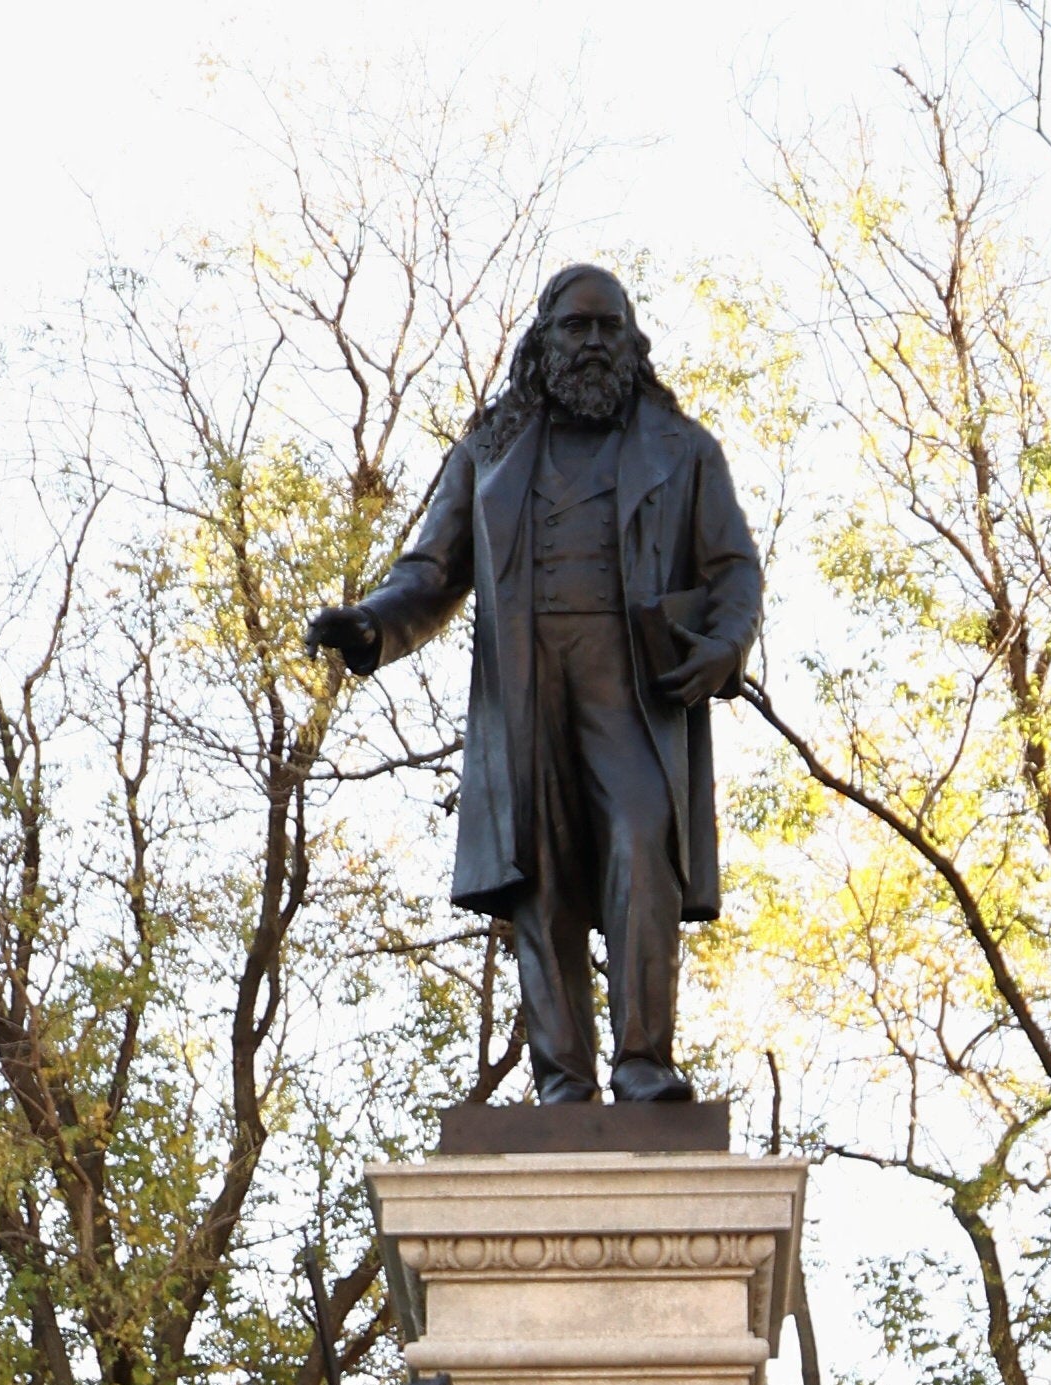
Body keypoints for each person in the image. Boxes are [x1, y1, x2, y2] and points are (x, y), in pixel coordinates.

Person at [304, 263, 761, 1107]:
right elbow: (432, 569)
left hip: (634, 687)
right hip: (525, 682)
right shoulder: (489, 448)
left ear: (632, 341)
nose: (591, 344)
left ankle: (643, 1064)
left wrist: (727, 642)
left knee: (641, 840)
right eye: (575, 327)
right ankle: (561, 1081)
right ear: (541, 341)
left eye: (607, 328)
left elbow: (733, 567)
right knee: (539, 869)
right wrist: (371, 626)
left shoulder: (683, 448)